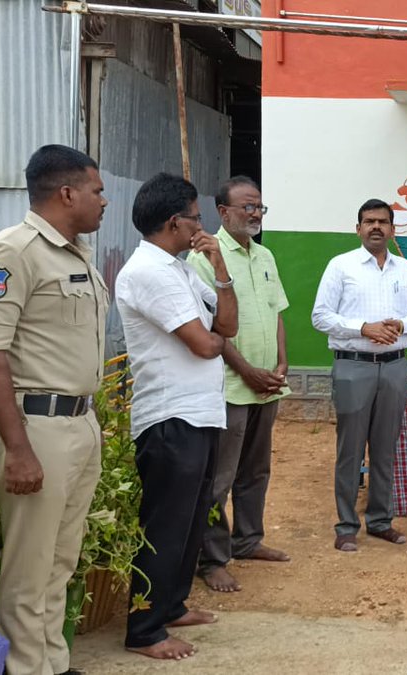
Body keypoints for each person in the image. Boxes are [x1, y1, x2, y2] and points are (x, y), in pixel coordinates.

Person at [0, 145, 108, 675]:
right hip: (35, 426)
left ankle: (52, 660)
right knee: (29, 566)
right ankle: (27, 668)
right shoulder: (12, 251)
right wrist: (18, 449)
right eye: (96, 191)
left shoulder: (75, 254)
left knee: (60, 560)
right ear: (67, 193)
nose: (104, 201)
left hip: (77, 422)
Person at [116, 172, 238, 661]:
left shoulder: (183, 268)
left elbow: (227, 324)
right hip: (170, 416)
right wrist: (217, 337)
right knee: (165, 523)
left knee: (190, 519)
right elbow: (208, 344)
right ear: (174, 221)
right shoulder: (149, 271)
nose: (201, 225)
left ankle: (171, 604)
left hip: (198, 412)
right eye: (195, 217)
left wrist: (219, 266)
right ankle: (144, 629)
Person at [311, 198, 407, 553]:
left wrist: (401, 324)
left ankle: (380, 521)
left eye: (382, 221)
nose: (376, 227)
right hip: (353, 366)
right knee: (350, 449)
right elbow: (320, 317)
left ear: (393, 229)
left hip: (395, 367)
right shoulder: (341, 266)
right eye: (369, 221)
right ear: (358, 228)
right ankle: (346, 525)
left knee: (385, 449)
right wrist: (364, 328)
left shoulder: (405, 270)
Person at [187, 176, 291, 594]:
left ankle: (247, 541)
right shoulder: (204, 258)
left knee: (256, 470)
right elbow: (211, 327)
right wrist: (246, 369)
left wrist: (283, 362)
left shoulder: (265, 255)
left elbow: (277, 311)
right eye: (247, 207)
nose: (254, 214)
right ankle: (211, 559)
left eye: (259, 207)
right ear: (223, 212)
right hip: (230, 384)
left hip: (268, 385)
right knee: (220, 476)